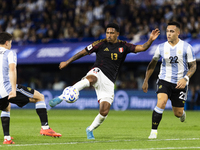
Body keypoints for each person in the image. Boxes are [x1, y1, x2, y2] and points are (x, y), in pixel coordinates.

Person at [49, 23, 160, 139]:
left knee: (104, 110)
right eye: (107, 33)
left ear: (117, 34)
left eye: (112, 33)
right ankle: (61, 97)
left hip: (109, 81)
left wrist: (150, 40)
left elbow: (142, 48)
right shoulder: (100, 44)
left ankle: (90, 129)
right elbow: (83, 52)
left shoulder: (124, 46)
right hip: (98, 71)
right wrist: (67, 62)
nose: (109, 35)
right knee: (92, 78)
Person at [0, 32, 61, 144]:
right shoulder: (9, 53)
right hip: (6, 89)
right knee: (39, 97)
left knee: (6, 107)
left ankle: (7, 138)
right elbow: (12, 70)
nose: (11, 45)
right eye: (11, 43)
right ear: (7, 42)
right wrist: (13, 90)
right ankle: (45, 128)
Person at [142, 22, 196, 139]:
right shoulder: (161, 47)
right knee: (161, 102)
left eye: (172, 31)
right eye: (167, 31)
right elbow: (152, 64)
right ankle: (153, 132)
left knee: (178, 113)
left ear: (178, 33)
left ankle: (182, 114)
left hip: (180, 82)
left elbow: (193, 66)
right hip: (164, 80)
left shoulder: (187, 47)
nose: (169, 34)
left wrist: (185, 79)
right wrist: (146, 80)